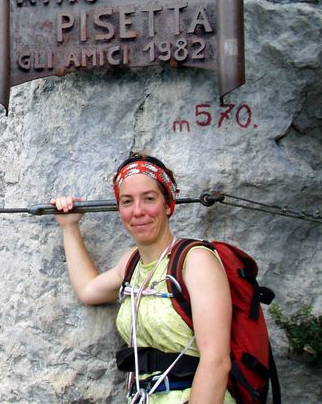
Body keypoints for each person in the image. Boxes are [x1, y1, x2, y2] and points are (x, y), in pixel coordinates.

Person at [52, 153, 234, 404]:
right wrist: (69, 226)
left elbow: (217, 360)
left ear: (169, 205)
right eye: (127, 201)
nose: (138, 211)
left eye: (149, 199)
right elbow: (88, 290)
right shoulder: (132, 263)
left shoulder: (195, 260)